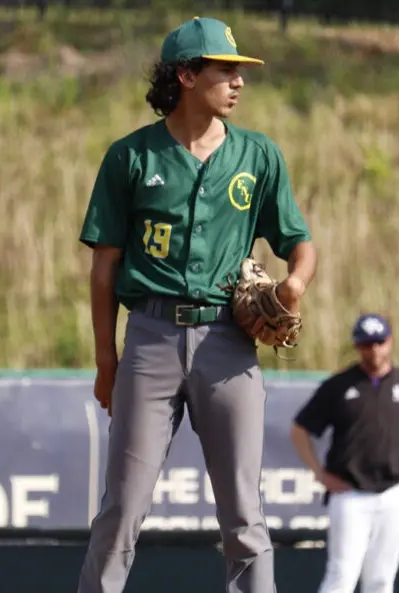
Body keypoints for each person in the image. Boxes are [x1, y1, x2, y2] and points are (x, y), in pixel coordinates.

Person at [75, 15, 317, 593]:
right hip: (151, 338)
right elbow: (104, 267)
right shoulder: (131, 157)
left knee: (243, 515)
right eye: (225, 70)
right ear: (186, 74)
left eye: (239, 72)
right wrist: (107, 362)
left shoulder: (258, 155)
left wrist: (294, 286)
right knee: (122, 510)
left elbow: (298, 244)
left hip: (227, 344)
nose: (238, 82)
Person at [289, 313, 399, 593]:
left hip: (393, 491)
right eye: (367, 344)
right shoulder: (340, 386)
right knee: (342, 573)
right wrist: (319, 473)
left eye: (379, 342)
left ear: (389, 341)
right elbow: (300, 429)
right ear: (357, 346)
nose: (374, 350)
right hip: (349, 492)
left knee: (381, 579)